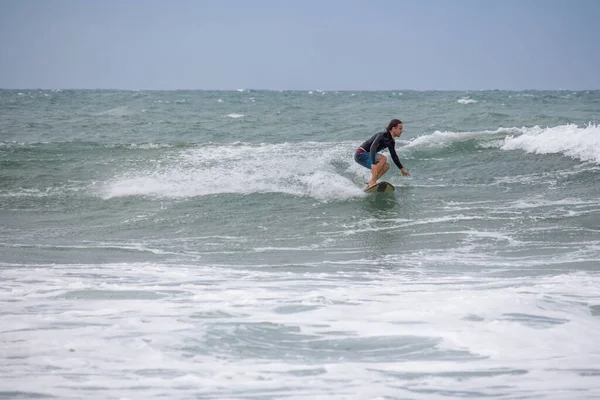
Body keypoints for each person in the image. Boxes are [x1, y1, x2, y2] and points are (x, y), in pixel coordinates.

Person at [354, 119, 410, 189]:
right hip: (361, 154)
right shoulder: (382, 135)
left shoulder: (391, 141)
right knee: (383, 158)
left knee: (386, 166)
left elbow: (394, 155)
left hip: (366, 155)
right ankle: (372, 182)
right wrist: (374, 163)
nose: (401, 131)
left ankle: (370, 184)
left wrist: (401, 168)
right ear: (393, 128)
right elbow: (373, 147)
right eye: (400, 129)